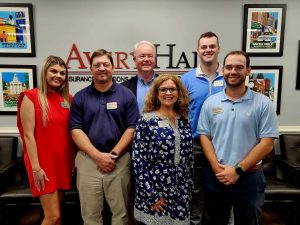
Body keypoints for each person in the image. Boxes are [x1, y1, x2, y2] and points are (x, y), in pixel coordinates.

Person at [197, 50, 279, 225]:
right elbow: (205, 136)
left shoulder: (263, 103)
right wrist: (217, 168)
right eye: (229, 67)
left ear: (248, 71)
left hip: (249, 179)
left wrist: (237, 170)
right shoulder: (211, 103)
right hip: (217, 177)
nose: (233, 71)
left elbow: (267, 144)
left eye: (239, 67)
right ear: (223, 70)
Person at [69, 49, 139, 225]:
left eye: (106, 64)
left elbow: (132, 128)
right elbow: (75, 130)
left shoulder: (126, 95)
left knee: (121, 215)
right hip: (88, 161)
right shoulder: (80, 97)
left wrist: (113, 155)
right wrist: (97, 156)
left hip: (119, 160)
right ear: (90, 69)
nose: (102, 68)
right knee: (90, 216)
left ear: (113, 68)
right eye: (97, 65)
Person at [17, 55, 75, 225]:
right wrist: (36, 168)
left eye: (62, 73)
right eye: (54, 71)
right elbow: (28, 135)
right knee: (53, 216)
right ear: (45, 72)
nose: (58, 75)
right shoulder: (31, 97)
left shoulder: (67, 99)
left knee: (58, 215)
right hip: (43, 164)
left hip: (63, 163)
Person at [133, 74, 193, 225]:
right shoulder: (146, 120)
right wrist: (150, 195)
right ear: (156, 93)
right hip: (155, 190)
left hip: (181, 191)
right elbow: (139, 160)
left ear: (179, 92)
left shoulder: (184, 120)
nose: (168, 93)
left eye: (172, 89)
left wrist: (189, 188)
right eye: (163, 89)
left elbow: (189, 158)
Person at [181, 31, 225, 225]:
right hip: (195, 145)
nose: (208, 50)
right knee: (196, 189)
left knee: (222, 188)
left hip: (223, 143)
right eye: (204, 47)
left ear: (218, 49)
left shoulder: (229, 75)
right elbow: (180, 112)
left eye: (212, 46)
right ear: (198, 50)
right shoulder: (187, 79)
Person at [122, 40, 159, 113]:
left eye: (150, 56)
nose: (146, 59)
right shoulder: (124, 88)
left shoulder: (166, 84)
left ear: (155, 59)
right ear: (135, 60)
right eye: (142, 56)